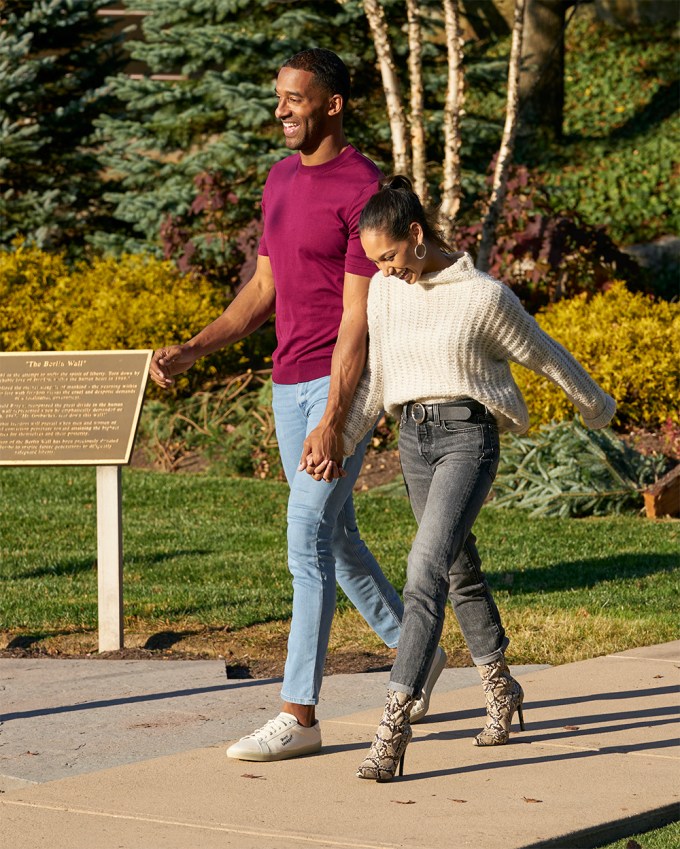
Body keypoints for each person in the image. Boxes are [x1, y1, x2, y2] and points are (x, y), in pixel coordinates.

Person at [149, 52, 446, 762]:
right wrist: (196, 347)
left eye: (294, 98)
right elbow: (263, 287)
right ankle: (417, 651)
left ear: (333, 104)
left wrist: (334, 413)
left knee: (306, 538)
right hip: (287, 382)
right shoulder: (280, 179)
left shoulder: (363, 186)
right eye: (277, 97)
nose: (280, 109)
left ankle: (299, 713)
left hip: (338, 381)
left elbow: (357, 315)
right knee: (334, 536)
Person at [309, 175, 616, 782]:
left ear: (417, 235)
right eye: (375, 261)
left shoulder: (483, 298)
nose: (385, 270)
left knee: (424, 572)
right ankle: (502, 688)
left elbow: (544, 353)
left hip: (468, 441)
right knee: (456, 567)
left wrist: (597, 407)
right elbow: (377, 380)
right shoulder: (385, 295)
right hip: (413, 442)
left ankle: (392, 728)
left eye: (390, 256)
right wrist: (339, 443)